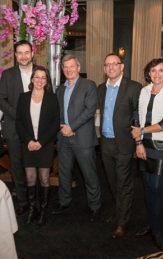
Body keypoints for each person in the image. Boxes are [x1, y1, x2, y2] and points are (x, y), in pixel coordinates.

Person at [131, 58, 163, 250]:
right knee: (148, 187)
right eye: (153, 71)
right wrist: (139, 143)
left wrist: (141, 132)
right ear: (148, 73)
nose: (157, 74)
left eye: (160, 70)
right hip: (143, 146)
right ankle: (150, 224)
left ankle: (157, 230)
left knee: (157, 188)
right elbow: (135, 118)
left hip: (162, 146)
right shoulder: (143, 92)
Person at [97, 53, 142, 238]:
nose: (111, 67)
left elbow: (138, 114)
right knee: (112, 181)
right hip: (105, 143)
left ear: (121, 66)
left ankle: (123, 222)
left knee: (124, 183)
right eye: (107, 65)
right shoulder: (101, 88)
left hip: (123, 143)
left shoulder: (133, 87)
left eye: (114, 64)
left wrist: (138, 141)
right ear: (104, 68)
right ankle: (119, 211)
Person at [52, 54, 101, 221]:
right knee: (64, 173)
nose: (68, 70)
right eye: (65, 67)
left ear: (78, 68)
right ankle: (64, 202)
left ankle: (95, 206)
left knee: (89, 174)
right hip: (63, 138)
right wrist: (63, 127)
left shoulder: (88, 85)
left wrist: (71, 127)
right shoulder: (60, 89)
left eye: (72, 66)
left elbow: (89, 110)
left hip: (83, 139)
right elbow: (56, 112)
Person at [16, 66, 60, 227]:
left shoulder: (52, 98)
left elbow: (55, 123)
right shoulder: (23, 97)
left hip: (45, 144)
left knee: (44, 178)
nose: (40, 80)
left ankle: (43, 212)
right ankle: (32, 209)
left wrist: (40, 142)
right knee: (30, 178)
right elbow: (19, 123)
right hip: (28, 144)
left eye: (43, 77)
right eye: (37, 77)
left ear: (46, 81)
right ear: (32, 79)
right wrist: (29, 141)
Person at [0, 40, 36, 216]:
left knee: (34, 167)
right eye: (19, 53)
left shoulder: (41, 73)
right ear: (15, 55)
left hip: (36, 130)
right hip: (14, 129)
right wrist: (18, 114)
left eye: (26, 52)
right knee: (17, 168)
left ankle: (35, 202)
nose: (23, 56)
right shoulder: (7, 75)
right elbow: (0, 100)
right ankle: (22, 202)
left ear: (32, 53)